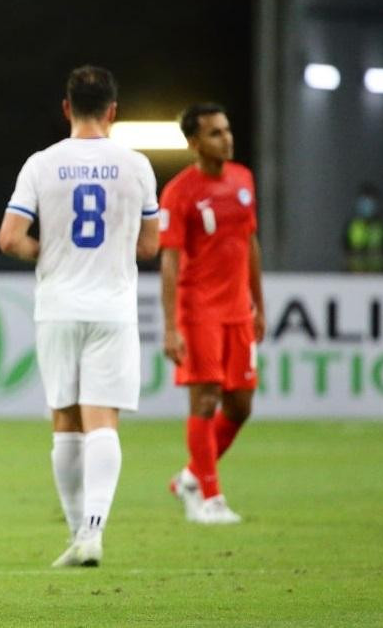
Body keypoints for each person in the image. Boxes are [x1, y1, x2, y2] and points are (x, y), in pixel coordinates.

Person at [0, 65, 160, 567]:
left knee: (65, 422)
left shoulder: (42, 164)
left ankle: (75, 533)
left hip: (58, 307)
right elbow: (151, 245)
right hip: (112, 308)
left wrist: (49, 251)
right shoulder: (137, 166)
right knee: (102, 420)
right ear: (113, 110)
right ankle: (93, 530)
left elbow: (8, 238)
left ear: (67, 108)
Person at [159, 102, 265, 525]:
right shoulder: (180, 192)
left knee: (240, 406)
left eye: (227, 129)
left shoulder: (243, 179)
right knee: (204, 401)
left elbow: (250, 243)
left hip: (239, 310)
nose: (227, 138)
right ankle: (210, 497)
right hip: (199, 309)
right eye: (216, 133)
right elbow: (169, 261)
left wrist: (258, 302)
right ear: (194, 142)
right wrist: (170, 326)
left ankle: (189, 476)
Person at [343, 182, 383, 273]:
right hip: (357, 274)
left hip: (382, 274)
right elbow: (346, 251)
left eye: (370, 200)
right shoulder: (352, 225)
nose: (367, 205)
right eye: (364, 200)